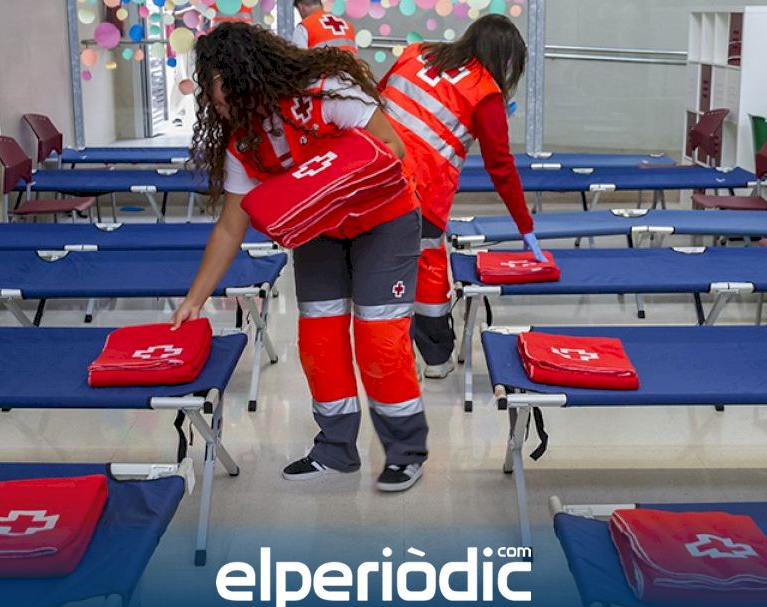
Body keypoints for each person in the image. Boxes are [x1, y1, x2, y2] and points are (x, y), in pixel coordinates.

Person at [171, 23, 429, 492]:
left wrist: (330, 184)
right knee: (319, 340)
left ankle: (405, 452)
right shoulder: (243, 143)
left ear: (248, 76)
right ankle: (336, 449)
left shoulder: (328, 90)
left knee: (379, 340)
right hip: (320, 231)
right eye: (211, 95)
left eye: (220, 89)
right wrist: (195, 299)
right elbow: (230, 226)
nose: (216, 103)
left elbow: (392, 147)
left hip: (384, 221)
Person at [379, 14, 543, 379]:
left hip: (370, 177)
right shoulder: (485, 92)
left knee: (378, 268)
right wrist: (525, 226)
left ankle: (391, 357)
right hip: (419, 194)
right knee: (428, 269)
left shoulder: (417, 52)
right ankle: (436, 359)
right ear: (503, 58)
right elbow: (501, 167)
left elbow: (378, 98)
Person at [291, 0, 358, 55]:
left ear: (300, 7)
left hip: (324, 68)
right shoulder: (348, 25)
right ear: (321, 5)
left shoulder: (304, 27)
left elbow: (299, 60)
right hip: (350, 67)